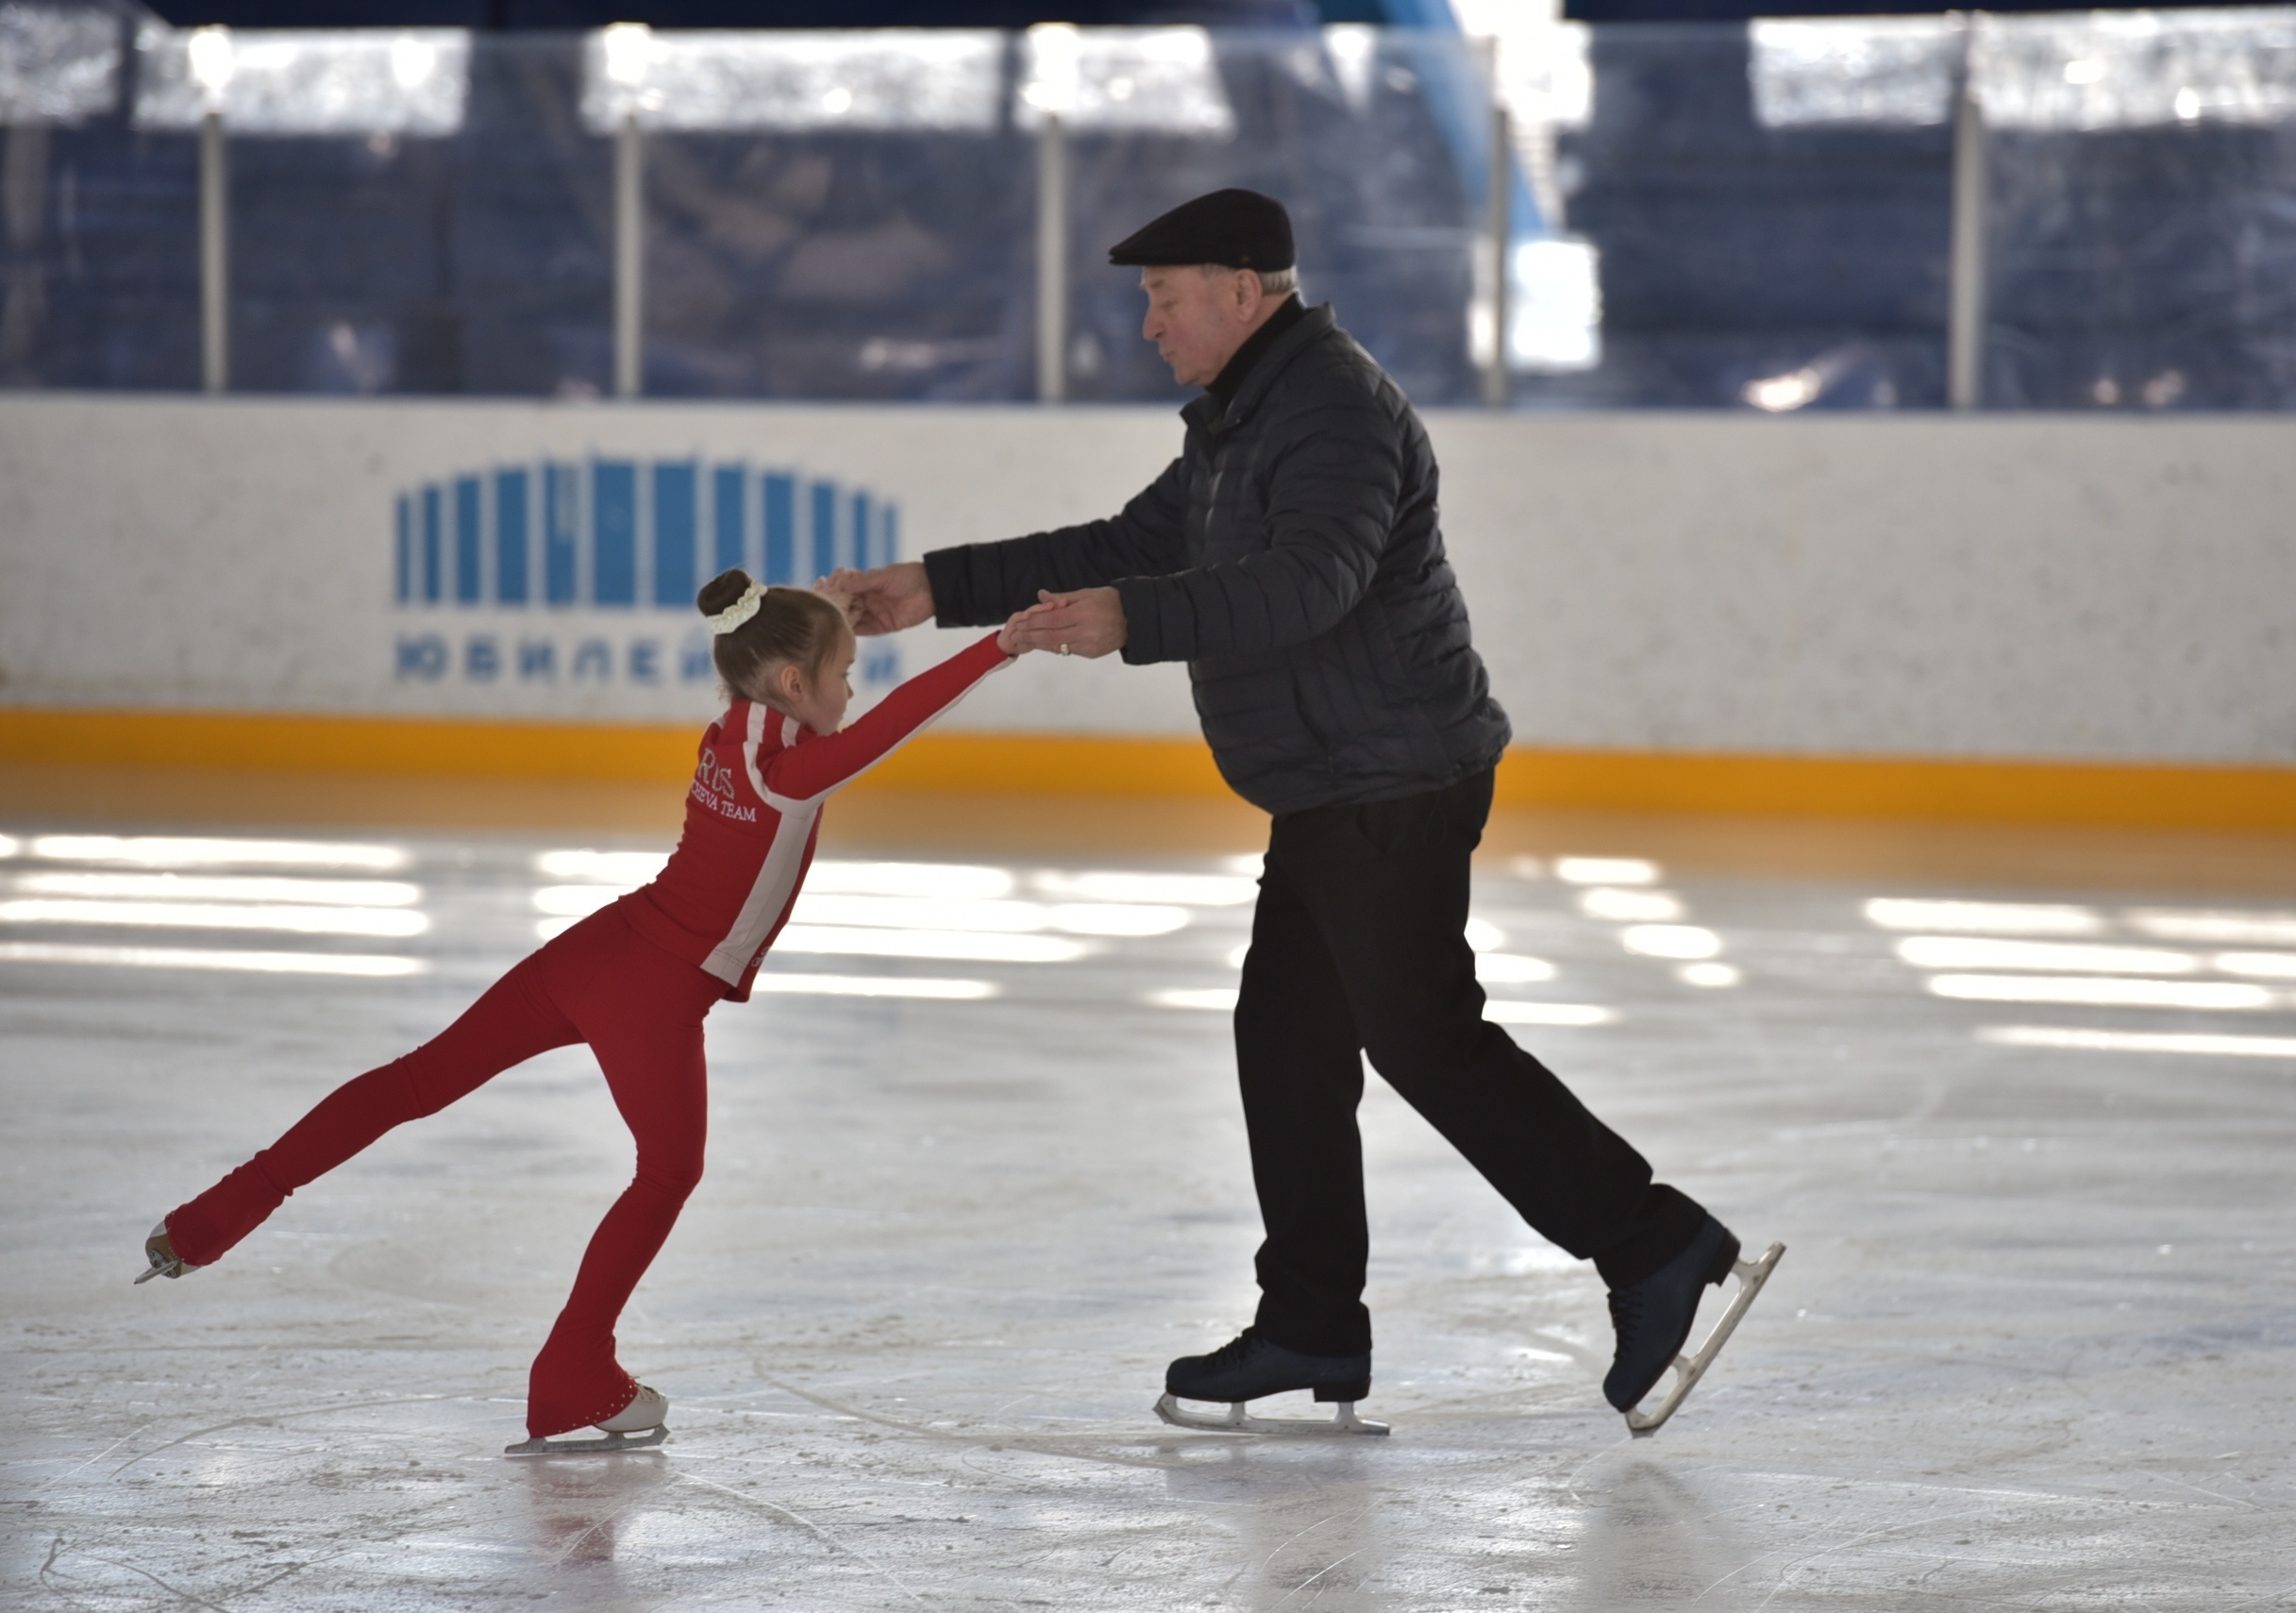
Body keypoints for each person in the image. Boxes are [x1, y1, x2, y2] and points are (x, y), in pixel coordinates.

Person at [823, 189, 1780, 1435]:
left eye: (1165, 299)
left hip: (1393, 778)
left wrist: (1138, 621)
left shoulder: (1330, 409)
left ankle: (1655, 1242)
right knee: (1286, 1042)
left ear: (1239, 288)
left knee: (1425, 1038)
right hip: (1339, 782)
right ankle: (1312, 1322)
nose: (1153, 326)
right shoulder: (1244, 415)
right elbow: (1136, 539)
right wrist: (935, 588)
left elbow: (1307, 586)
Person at [137, 569, 1038, 1454]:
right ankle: (573, 1371)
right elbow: (890, 725)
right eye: (844, 673)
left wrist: (827, 615)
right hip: (656, 990)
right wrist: (999, 645)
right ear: (799, 686)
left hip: (596, 950)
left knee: (418, 1079)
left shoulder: (734, 724)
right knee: (667, 1173)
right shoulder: (790, 769)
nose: (853, 688)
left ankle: (209, 1218)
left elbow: (770, 650)